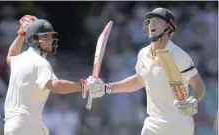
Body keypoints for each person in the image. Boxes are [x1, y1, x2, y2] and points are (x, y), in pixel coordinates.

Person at [88, 7, 206, 135]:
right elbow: (138, 81)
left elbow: (199, 85)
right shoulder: (143, 54)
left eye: (157, 20)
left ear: (169, 27)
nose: (151, 24)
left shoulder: (179, 56)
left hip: (178, 125)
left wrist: (193, 100)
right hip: (153, 123)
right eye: (150, 21)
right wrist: (106, 88)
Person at [3, 15, 101, 135]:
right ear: (34, 39)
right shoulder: (40, 63)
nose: (50, 39)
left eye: (51, 36)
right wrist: (84, 85)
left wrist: (21, 34)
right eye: (45, 36)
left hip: (12, 125)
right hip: (27, 125)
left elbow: (10, 55)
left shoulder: (19, 59)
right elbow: (56, 86)